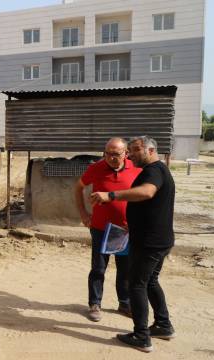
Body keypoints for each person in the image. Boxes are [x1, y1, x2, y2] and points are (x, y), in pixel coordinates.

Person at [90, 136, 176, 353]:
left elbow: (147, 192)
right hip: (157, 239)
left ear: (150, 150)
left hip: (149, 242)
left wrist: (111, 195)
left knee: (137, 284)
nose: (131, 154)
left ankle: (141, 336)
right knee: (151, 281)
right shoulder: (158, 169)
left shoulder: (153, 171)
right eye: (129, 150)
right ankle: (163, 325)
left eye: (135, 150)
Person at [74, 137, 141, 322]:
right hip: (101, 229)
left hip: (126, 229)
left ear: (126, 153)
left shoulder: (137, 169)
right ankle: (95, 304)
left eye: (116, 154)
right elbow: (78, 187)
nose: (111, 157)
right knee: (98, 268)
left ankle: (125, 302)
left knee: (125, 269)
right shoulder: (96, 168)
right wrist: (83, 214)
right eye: (107, 153)